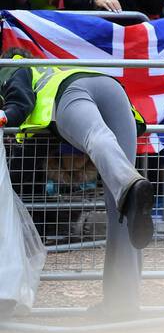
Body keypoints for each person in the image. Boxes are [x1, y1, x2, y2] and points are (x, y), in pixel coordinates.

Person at [1, 51, 154, 316]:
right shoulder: (54, 67)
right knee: (121, 204)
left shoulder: (12, 66)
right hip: (113, 90)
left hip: (72, 93)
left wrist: (5, 117)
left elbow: (19, 103)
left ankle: (130, 183)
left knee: (96, 137)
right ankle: (124, 303)